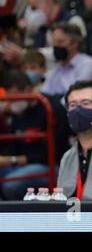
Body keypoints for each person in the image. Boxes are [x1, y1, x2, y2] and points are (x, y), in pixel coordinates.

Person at [0, 70, 50, 200]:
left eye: (15, 97)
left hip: (47, 166)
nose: (12, 103)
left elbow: (49, 155)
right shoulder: (18, 113)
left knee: (10, 185)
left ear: (28, 89)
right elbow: (12, 148)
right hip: (19, 165)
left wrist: (12, 160)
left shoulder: (48, 108)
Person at [41, 23, 92, 97]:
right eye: (54, 42)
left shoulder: (87, 64)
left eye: (60, 41)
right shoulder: (57, 68)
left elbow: (76, 95)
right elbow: (44, 93)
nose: (56, 46)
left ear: (75, 43)